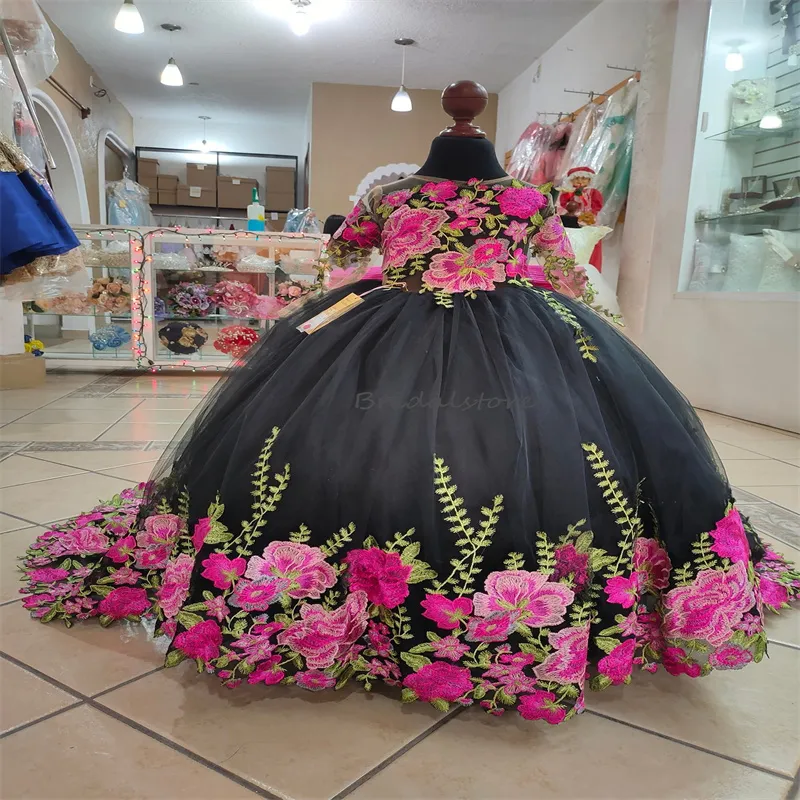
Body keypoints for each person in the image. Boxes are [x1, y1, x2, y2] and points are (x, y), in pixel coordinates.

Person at [21, 174, 798, 725]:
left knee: (457, 451)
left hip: (412, 320)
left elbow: (345, 259)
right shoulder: (516, 200)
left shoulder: (400, 197)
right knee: (407, 451)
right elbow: (564, 276)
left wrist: (397, 284)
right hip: (495, 326)